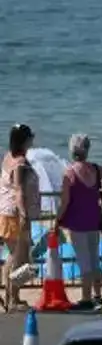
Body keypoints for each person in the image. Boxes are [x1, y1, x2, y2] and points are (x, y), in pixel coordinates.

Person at [57, 134, 102, 312]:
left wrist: (56, 221)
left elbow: (65, 202)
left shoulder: (69, 173)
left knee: (83, 261)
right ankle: (98, 296)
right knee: (94, 260)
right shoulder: (95, 169)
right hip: (94, 219)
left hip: (77, 222)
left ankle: (86, 299)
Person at [0, 125, 37, 311]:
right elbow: (19, 191)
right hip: (15, 214)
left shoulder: (8, 157)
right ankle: (13, 298)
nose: (32, 139)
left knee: (13, 256)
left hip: (5, 213)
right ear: (24, 141)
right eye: (30, 137)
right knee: (18, 258)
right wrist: (24, 215)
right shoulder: (20, 163)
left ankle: (11, 296)